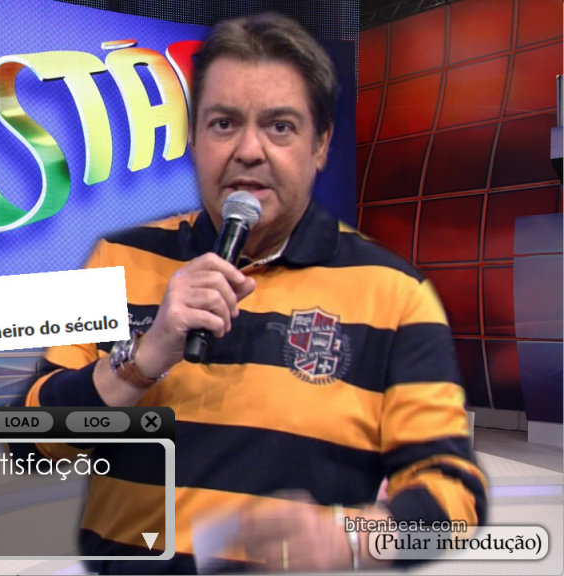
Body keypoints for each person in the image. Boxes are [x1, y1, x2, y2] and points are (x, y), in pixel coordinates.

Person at [24, 12, 487, 574]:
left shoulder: (397, 295)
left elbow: (453, 490)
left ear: (321, 145)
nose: (248, 149)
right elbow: (32, 443)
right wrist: (142, 360)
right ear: (193, 140)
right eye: (223, 123)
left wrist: (354, 538)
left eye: (280, 126)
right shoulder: (115, 260)